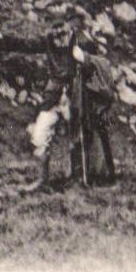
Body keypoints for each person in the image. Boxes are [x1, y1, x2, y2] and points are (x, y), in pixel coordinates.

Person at [22, 21, 116, 191]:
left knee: (77, 138)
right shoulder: (49, 41)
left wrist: (84, 59)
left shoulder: (83, 42)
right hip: (53, 98)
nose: (58, 34)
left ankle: (78, 178)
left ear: (70, 26)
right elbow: (25, 45)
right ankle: (42, 180)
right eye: (55, 28)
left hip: (76, 99)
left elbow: (98, 66)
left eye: (62, 29)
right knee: (39, 136)